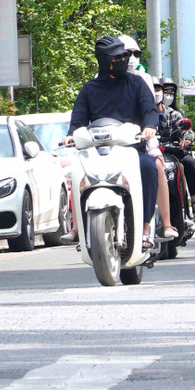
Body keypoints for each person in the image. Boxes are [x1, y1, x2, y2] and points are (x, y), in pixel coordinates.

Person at [66, 36, 175, 248]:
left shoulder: (137, 83)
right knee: (77, 172)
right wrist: (71, 134)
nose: (124, 60)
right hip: (98, 151)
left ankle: (145, 227)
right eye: (118, 57)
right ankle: (80, 229)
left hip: (132, 148)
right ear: (104, 61)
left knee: (148, 167)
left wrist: (150, 127)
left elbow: (149, 111)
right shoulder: (89, 88)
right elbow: (77, 120)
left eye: (125, 56)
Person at [156, 78, 195, 206]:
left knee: (190, 162)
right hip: (152, 152)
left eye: (171, 92)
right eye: (165, 92)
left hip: (173, 152)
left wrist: (186, 139)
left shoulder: (175, 114)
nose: (168, 95)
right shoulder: (145, 112)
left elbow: (187, 131)